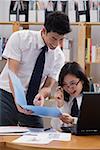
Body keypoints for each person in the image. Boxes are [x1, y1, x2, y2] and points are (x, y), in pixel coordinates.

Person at [0, 11, 71, 127]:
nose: (56, 44)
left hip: (32, 100)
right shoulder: (20, 38)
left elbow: (48, 86)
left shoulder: (59, 56)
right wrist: (18, 100)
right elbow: (12, 74)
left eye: (61, 39)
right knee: (3, 135)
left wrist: (42, 95)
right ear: (44, 31)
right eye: (54, 38)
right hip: (7, 94)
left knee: (38, 135)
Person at [51, 62, 90, 130]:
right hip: (69, 139)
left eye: (73, 83)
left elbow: (92, 123)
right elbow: (55, 126)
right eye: (65, 84)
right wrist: (60, 106)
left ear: (82, 81)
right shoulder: (64, 99)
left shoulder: (91, 99)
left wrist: (73, 120)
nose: (69, 88)